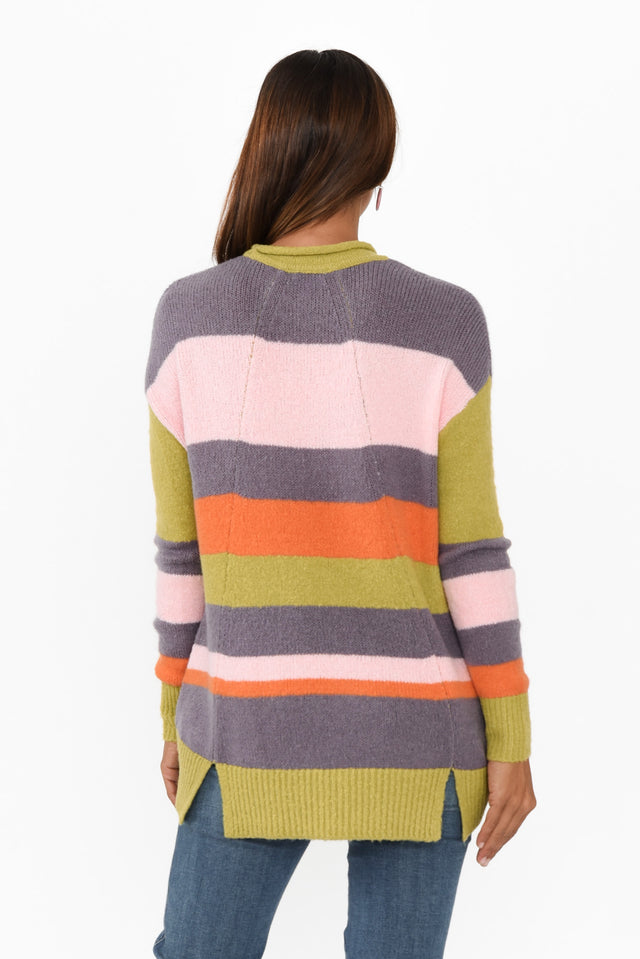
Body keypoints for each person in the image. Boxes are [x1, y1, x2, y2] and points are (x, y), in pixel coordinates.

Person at [145, 48, 536, 959]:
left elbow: (180, 555)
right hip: (421, 729)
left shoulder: (188, 318)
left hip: (242, 722)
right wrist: (510, 737)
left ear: (266, 148)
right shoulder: (445, 321)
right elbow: (473, 553)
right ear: (378, 164)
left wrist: (173, 714)